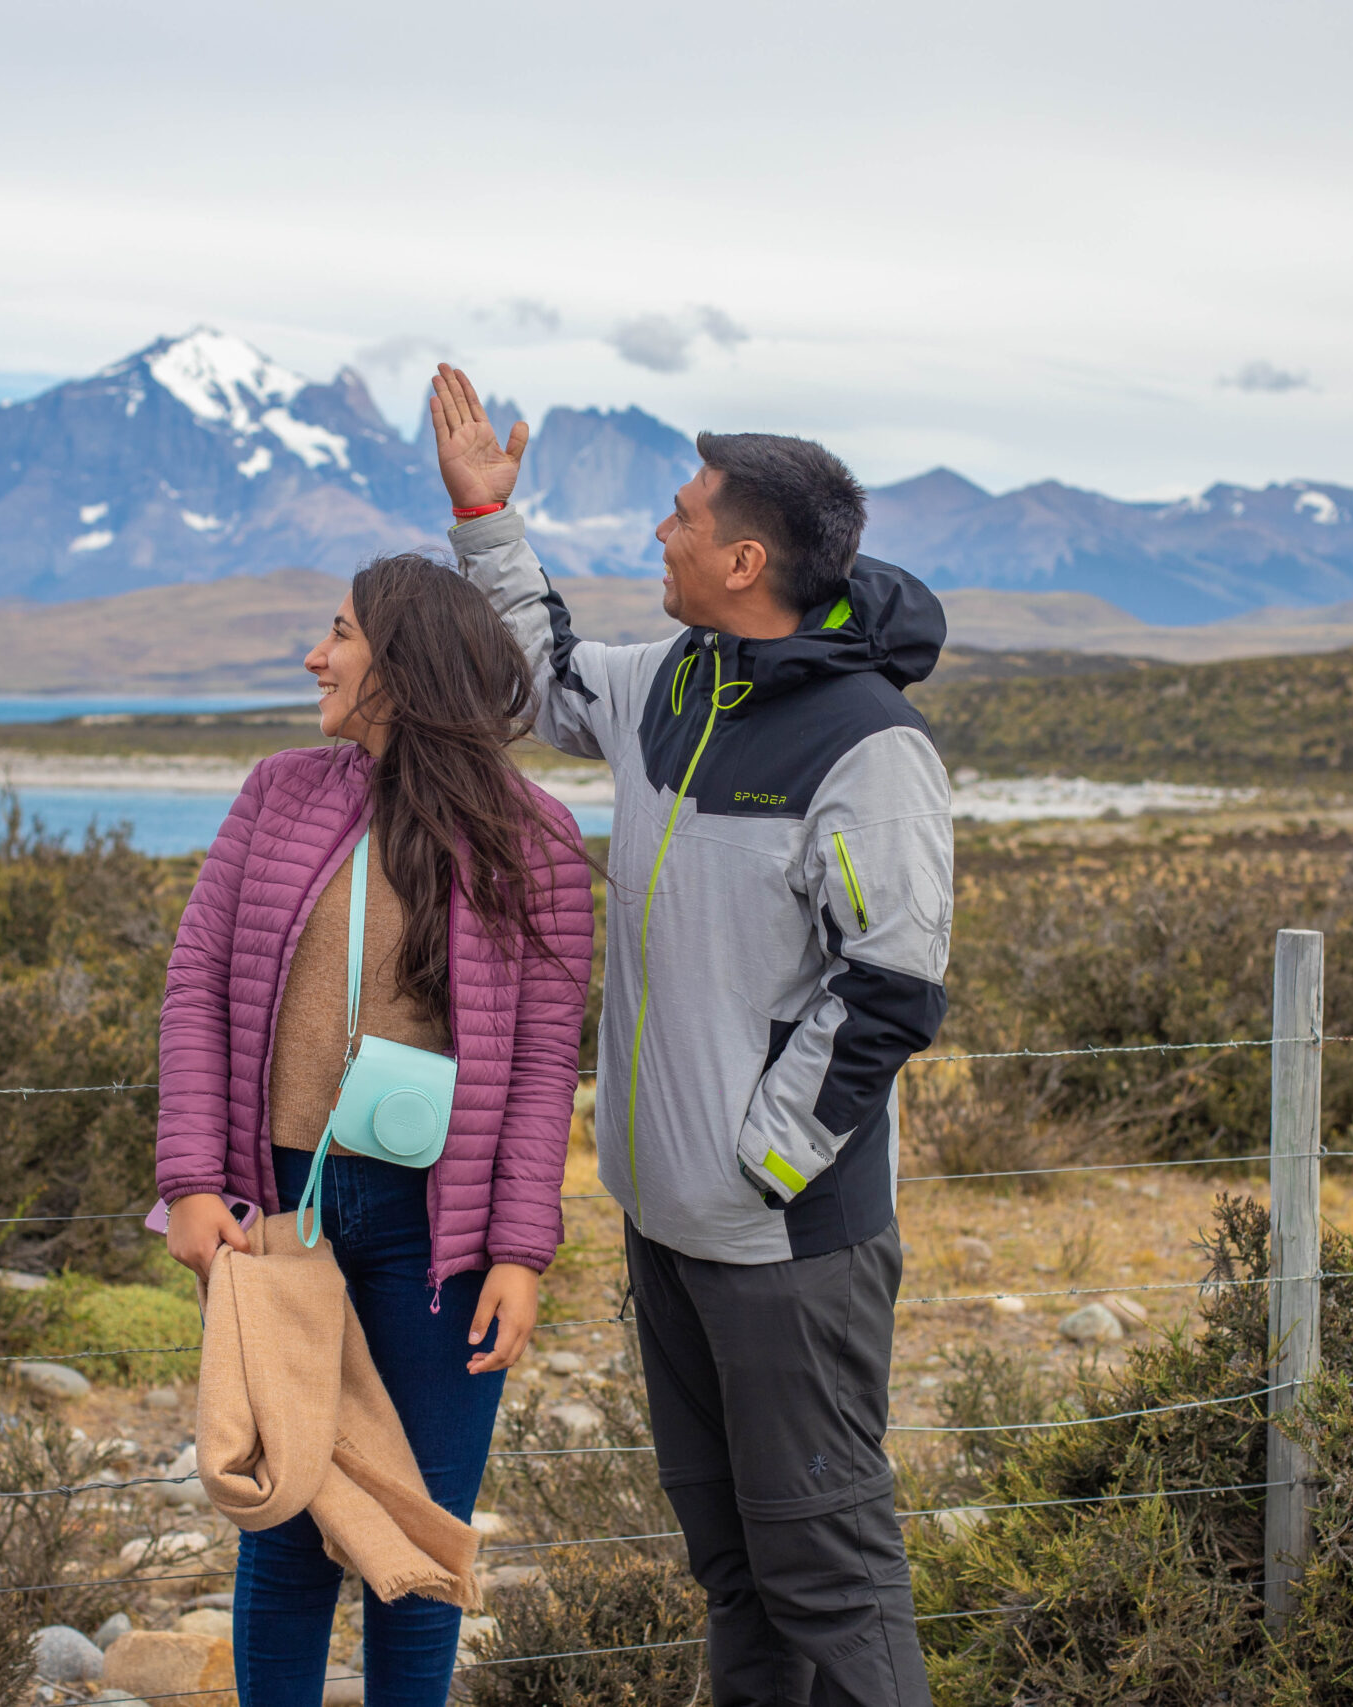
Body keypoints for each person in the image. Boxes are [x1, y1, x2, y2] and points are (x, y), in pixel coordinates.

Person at [429, 366, 952, 1707]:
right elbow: (532, 682)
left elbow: (893, 986)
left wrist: (756, 1160)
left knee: (825, 1567)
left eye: (677, 515)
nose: (655, 535)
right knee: (737, 1569)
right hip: (669, 1228)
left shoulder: (870, 745)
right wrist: (487, 513)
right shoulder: (676, 680)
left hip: (784, 1240)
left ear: (744, 554)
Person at [154, 553, 596, 1707]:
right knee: (287, 1515)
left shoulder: (535, 840)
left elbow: (547, 1063)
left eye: (340, 633)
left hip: (434, 1232)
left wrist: (519, 1251)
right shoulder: (279, 792)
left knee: (420, 1524)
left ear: (404, 668)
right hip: (280, 1214)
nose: (317, 654)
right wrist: (194, 1180)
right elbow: (198, 982)